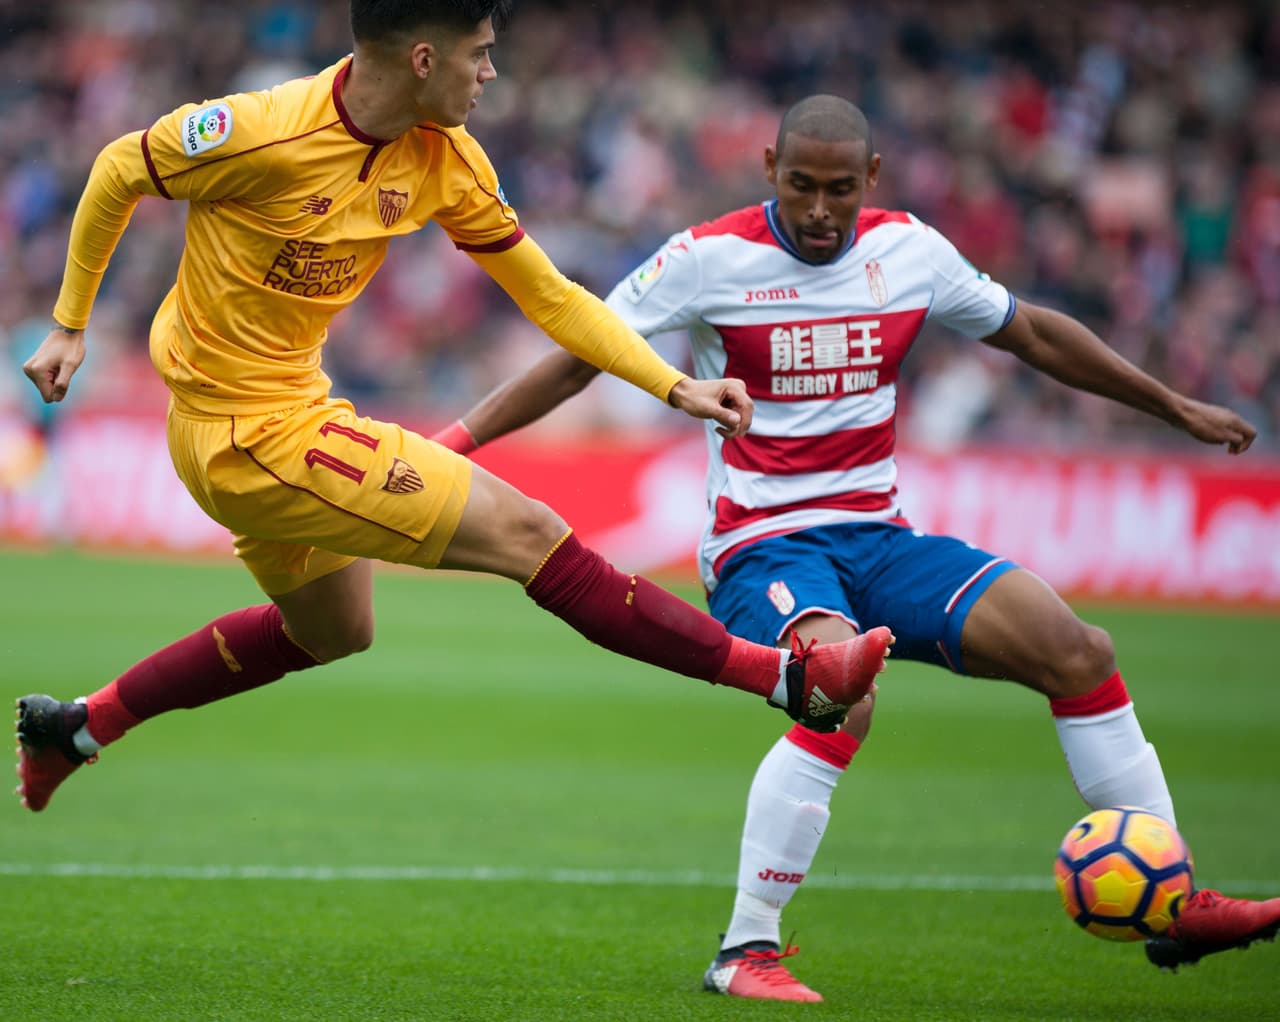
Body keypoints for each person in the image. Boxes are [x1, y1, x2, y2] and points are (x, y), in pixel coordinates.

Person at [431, 94, 1280, 1000]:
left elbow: (1029, 332)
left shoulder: (909, 252)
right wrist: (456, 444)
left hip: (878, 537)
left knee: (1079, 651)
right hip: (765, 546)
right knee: (845, 691)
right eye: (801, 186)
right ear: (770, 169)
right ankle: (744, 950)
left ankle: (1173, 899)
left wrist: (1173, 404)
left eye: (840, 189)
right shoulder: (710, 258)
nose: (820, 209)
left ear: (871, 180)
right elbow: (580, 348)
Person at [15, 5, 898, 829]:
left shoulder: (445, 157)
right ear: (424, 58)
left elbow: (552, 296)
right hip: (245, 434)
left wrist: (674, 387)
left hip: (293, 407)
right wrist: (70, 324)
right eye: (479, 54)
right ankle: (789, 680)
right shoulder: (263, 131)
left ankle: (80, 726)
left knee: (335, 631)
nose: (492, 74)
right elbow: (120, 167)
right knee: (529, 531)